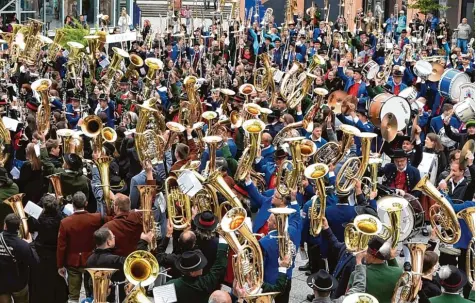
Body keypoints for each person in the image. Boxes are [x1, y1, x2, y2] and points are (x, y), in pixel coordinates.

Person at [57, 192, 109, 302]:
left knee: (73, 296)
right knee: (91, 293)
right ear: (86, 203)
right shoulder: (96, 218)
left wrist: (60, 265)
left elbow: (61, 246)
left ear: (72, 204)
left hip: (72, 262)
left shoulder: (65, 222)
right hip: (90, 260)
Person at [28, 195, 68, 303]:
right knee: (56, 280)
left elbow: (30, 226)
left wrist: (41, 201)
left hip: (42, 252)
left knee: (41, 279)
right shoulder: (61, 218)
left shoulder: (38, 219)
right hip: (56, 252)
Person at [165, 237, 229, 303]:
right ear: (192, 272)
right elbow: (219, 266)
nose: (202, 267)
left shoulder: (171, 285)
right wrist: (223, 242)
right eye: (199, 267)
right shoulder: (205, 283)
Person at [0, 214, 39, 303]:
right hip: (18, 283)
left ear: (5, 225)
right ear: (18, 227)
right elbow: (35, 262)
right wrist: (30, 244)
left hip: (1, 283)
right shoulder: (23, 245)